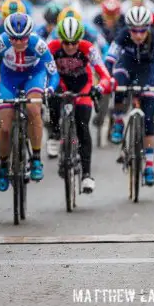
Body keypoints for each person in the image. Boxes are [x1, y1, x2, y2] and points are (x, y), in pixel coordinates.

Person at [0, 12, 59, 192]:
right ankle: (3, 166)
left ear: (29, 35)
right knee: (4, 126)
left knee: (33, 108)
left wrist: (50, 88)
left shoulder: (38, 44)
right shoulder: (0, 43)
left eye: (23, 38)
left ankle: (35, 158)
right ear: (8, 36)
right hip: (8, 79)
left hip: (33, 76)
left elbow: (53, 72)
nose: (19, 42)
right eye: (14, 39)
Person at [105, 7, 154, 186]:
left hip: (146, 71)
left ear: (148, 28)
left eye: (143, 30)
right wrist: (108, 78)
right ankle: (118, 121)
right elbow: (110, 59)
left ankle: (149, 166)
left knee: (149, 121)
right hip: (126, 67)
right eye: (134, 30)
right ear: (129, 29)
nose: (138, 34)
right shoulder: (122, 35)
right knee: (118, 83)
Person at [47, 17, 112, 191]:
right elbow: (40, 70)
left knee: (83, 126)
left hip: (83, 86)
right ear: (60, 39)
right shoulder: (52, 47)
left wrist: (99, 87)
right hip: (61, 83)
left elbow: (105, 74)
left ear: (80, 39)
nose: (70, 47)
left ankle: (86, 175)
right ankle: (54, 133)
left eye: (74, 42)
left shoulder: (88, 49)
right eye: (66, 43)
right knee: (52, 101)